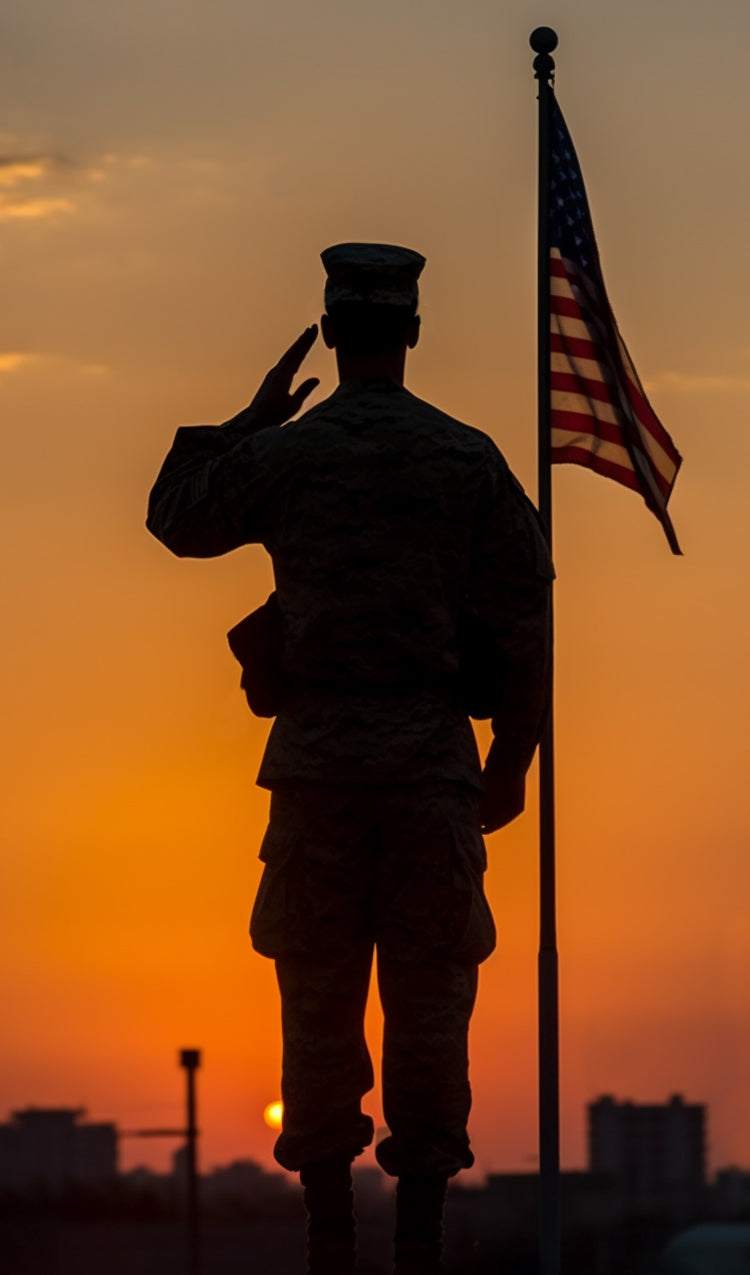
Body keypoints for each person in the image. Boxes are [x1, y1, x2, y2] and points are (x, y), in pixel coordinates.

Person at [146, 243, 553, 1275]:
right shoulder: (466, 459)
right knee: (430, 996)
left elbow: (176, 518)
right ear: (411, 333)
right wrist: (512, 759)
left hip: (319, 764)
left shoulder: (290, 456)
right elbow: (526, 619)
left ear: (331, 332)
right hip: (429, 766)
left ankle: (331, 1239)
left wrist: (250, 421)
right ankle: (418, 1239)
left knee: (316, 997)